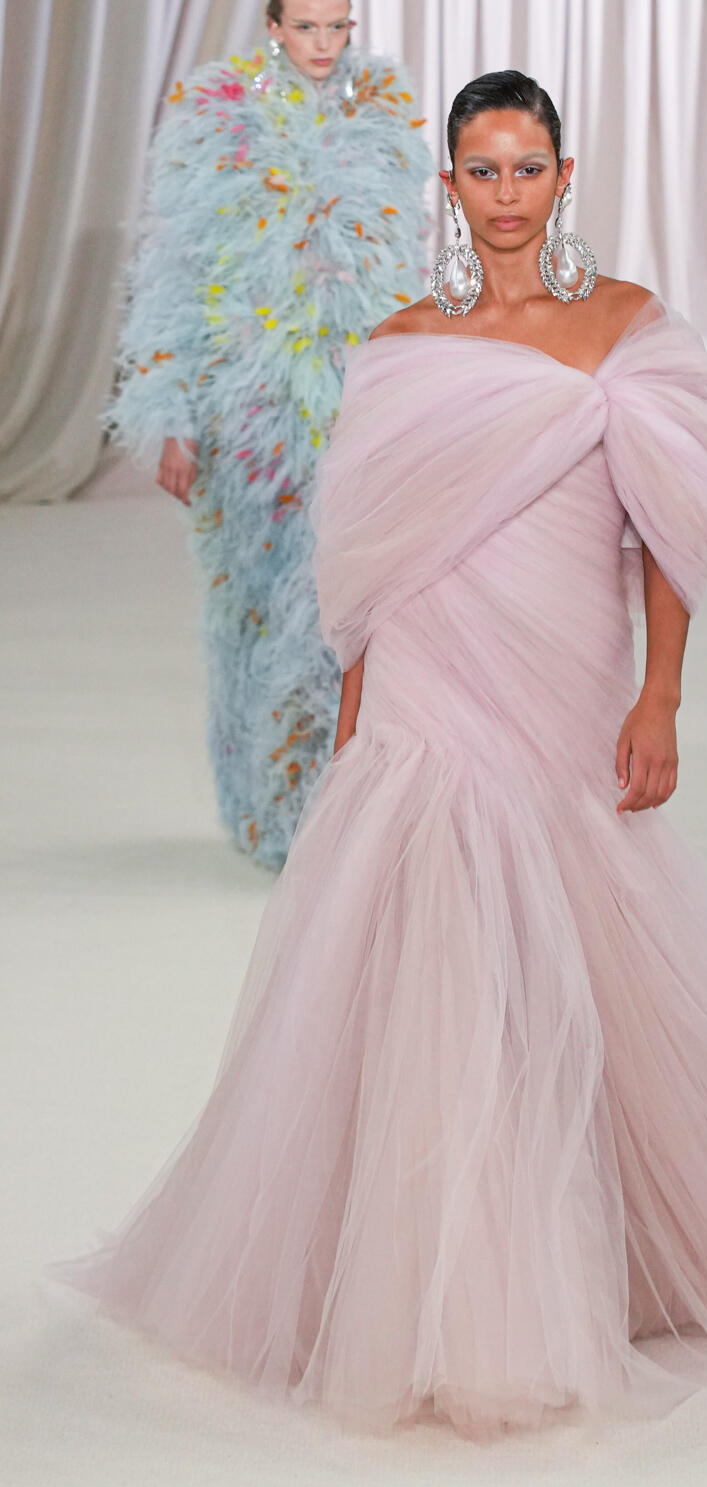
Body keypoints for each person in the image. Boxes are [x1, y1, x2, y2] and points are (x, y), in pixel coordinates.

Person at [49, 71, 707, 1441]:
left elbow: (668, 534)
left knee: (577, 939)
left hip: (559, 671)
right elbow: (364, 559)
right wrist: (356, 711)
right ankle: (438, 1280)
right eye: (482, 171)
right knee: (432, 951)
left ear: (564, 175)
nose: (507, 194)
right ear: (451, 186)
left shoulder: (628, 333)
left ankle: (593, 1246)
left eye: (528, 168)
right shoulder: (402, 345)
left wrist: (661, 698)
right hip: (428, 671)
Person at [107, 0, 433, 868]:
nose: (323, 45)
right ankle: (258, 805)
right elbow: (175, 269)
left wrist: (420, 395)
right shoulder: (216, 113)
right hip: (245, 414)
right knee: (248, 610)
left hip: (356, 402)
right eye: (307, 27)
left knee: (341, 607)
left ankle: (322, 810)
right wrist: (171, 416)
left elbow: (406, 269)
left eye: (338, 27)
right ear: (273, 23)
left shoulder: (385, 111)